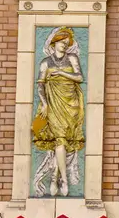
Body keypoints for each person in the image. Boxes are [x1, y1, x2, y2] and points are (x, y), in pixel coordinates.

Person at [32, 27, 85, 197]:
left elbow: (79, 78)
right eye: (62, 43)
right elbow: (40, 85)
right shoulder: (45, 62)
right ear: (54, 43)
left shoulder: (72, 58)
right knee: (59, 140)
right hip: (53, 103)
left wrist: (61, 72)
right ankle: (62, 178)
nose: (65, 45)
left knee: (63, 142)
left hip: (71, 104)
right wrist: (45, 104)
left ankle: (55, 177)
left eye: (67, 43)